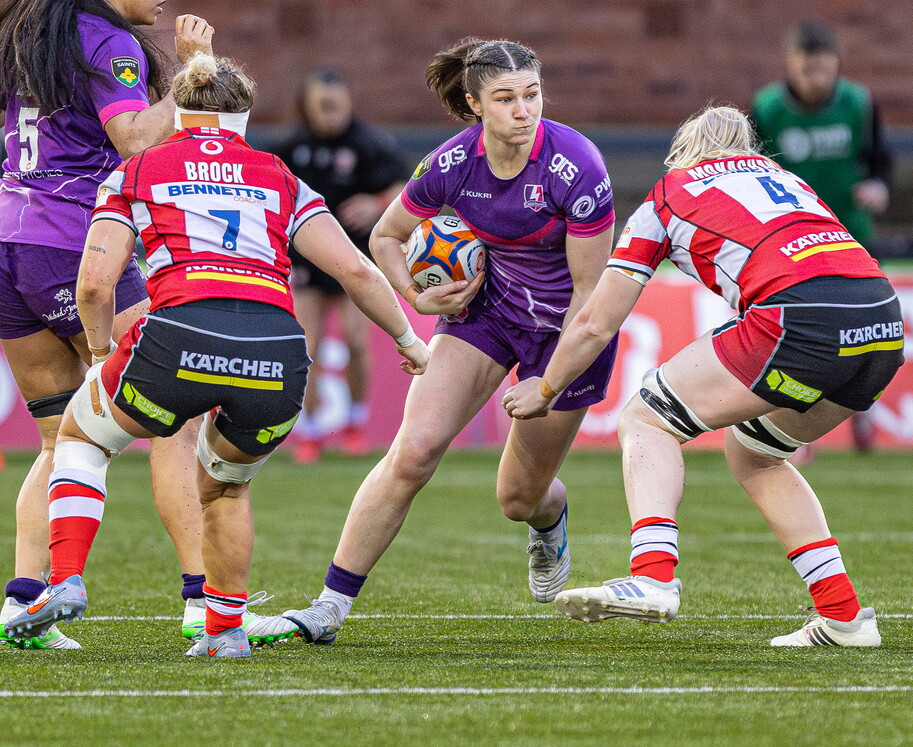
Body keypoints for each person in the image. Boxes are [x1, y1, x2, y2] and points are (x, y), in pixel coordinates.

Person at [3, 52, 430, 658]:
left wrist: (101, 358)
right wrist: (410, 342)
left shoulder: (138, 170)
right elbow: (357, 273)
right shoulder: (280, 175)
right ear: (244, 117)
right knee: (225, 486)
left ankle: (64, 578)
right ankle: (223, 633)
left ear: (176, 113)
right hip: (278, 351)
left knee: (79, 438)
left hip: (179, 332)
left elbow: (96, 285)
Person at [503, 106, 904, 647]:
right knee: (756, 455)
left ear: (683, 148)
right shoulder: (787, 178)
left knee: (647, 420)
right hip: (882, 317)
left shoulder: (670, 192)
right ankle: (843, 617)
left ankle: (653, 577)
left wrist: (547, 387)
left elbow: (597, 320)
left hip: (798, 317)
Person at [280, 37, 618, 645]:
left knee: (519, 497)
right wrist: (416, 298)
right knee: (412, 453)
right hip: (485, 314)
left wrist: (548, 384)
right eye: (507, 98)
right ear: (475, 103)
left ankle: (551, 522)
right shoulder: (452, 163)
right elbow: (386, 236)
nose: (525, 110)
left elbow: (593, 302)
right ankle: (329, 607)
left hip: (565, 333)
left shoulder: (578, 168)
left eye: (533, 95)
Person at [0, 0, 221, 650]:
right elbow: (134, 137)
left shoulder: (26, 31)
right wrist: (195, 72)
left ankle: (23, 601)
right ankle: (203, 603)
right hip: (75, 244)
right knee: (174, 421)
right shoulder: (104, 41)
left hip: (10, 242)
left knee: (57, 439)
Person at [752, 20, 893, 454]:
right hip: (791, 240)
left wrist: (879, 187)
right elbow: (751, 167)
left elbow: (880, 160)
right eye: (806, 69)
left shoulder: (858, 103)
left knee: (867, 332)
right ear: (790, 65)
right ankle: (792, 429)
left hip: (851, 235)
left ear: (837, 65)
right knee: (800, 334)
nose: (816, 79)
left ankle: (861, 415)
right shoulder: (767, 109)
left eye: (824, 70)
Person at [272, 68, 408, 461]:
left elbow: (404, 188)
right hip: (306, 261)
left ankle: (355, 422)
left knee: (355, 342)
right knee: (306, 347)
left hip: (356, 258)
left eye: (337, 105)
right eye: (323, 106)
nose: (331, 113)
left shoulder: (371, 144)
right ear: (307, 107)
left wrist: (377, 203)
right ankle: (311, 431)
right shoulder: (291, 146)